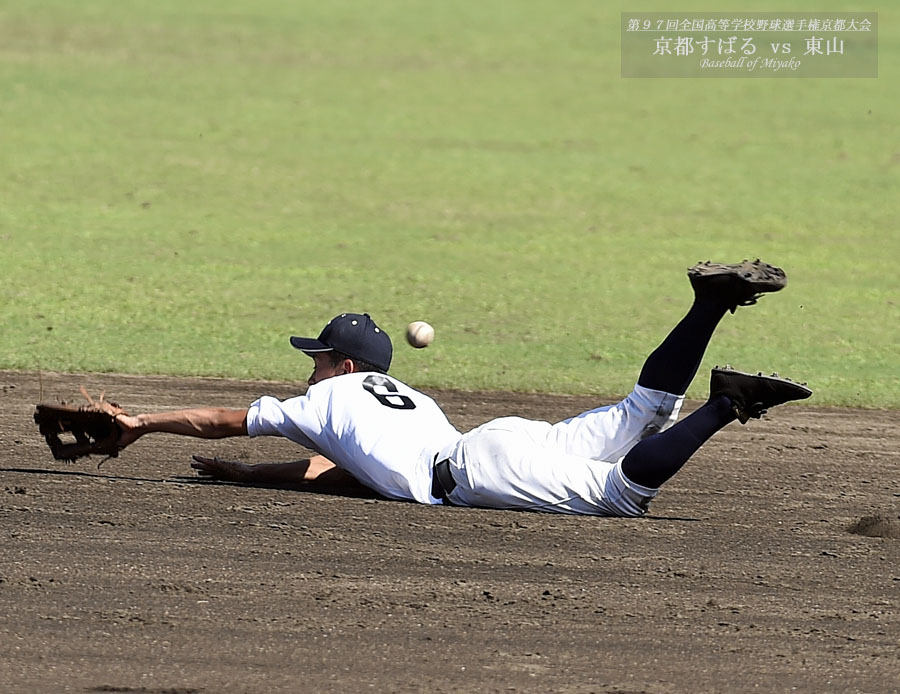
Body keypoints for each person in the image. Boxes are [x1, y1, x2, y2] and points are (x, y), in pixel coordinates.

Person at [114, 260, 812, 516]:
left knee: (622, 494)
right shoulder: (402, 400)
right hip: (500, 444)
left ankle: (727, 402)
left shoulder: (320, 402)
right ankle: (710, 305)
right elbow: (337, 471)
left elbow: (222, 417)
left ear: (347, 368)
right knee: (644, 412)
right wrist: (249, 476)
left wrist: (143, 423)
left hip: (482, 466)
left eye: (320, 357)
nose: (311, 368)